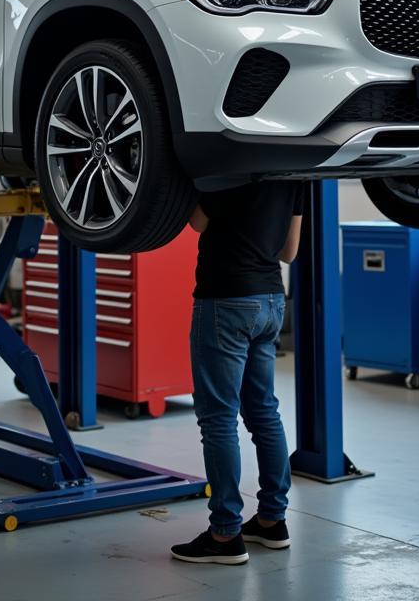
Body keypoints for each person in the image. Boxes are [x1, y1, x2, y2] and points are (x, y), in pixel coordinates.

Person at [170, 180, 304, 566]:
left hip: (225, 299)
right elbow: (289, 252)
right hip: (270, 300)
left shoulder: (231, 163)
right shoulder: (296, 170)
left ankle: (225, 534)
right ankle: (271, 520)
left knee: (218, 419)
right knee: (264, 412)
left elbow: (196, 223)